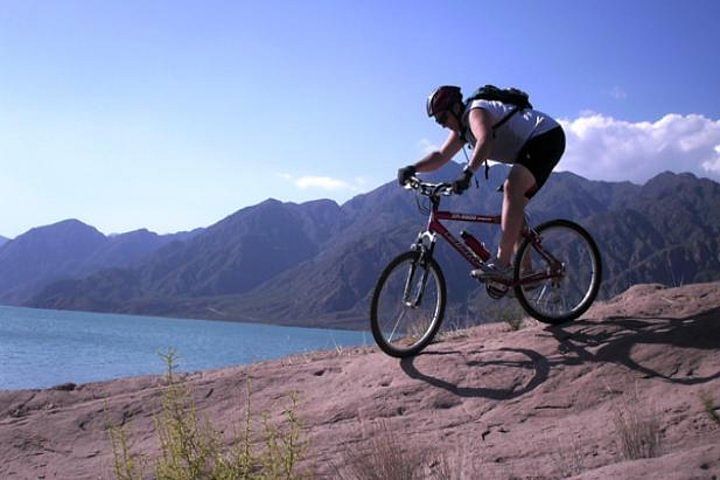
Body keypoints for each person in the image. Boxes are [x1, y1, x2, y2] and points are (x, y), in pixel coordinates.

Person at [397, 85, 566, 284]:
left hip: (546, 137)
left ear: (455, 108)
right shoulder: (462, 129)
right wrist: (412, 168)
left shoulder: (475, 112)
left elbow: (485, 140)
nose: (441, 125)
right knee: (513, 205)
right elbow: (441, 156)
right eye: (437, 121)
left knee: (513, 188)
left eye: (442, 118)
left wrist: (468, 173)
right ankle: (527, 274)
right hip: (531, 147)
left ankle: (502, 265)